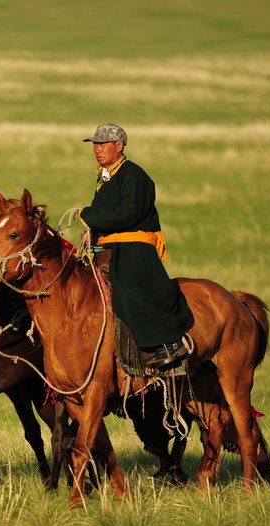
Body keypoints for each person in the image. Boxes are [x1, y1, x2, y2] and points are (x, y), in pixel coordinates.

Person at [78, 122, 191, 367]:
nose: (97, 149)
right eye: (95, 144)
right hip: (111, 247)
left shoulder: (134, 175)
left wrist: (88, 215)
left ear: (119, 146)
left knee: (127, 291)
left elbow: (126, 213)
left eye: (103, 144)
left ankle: (169, 344)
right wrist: (91, 231)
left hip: (134, 249)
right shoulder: (105, 177)